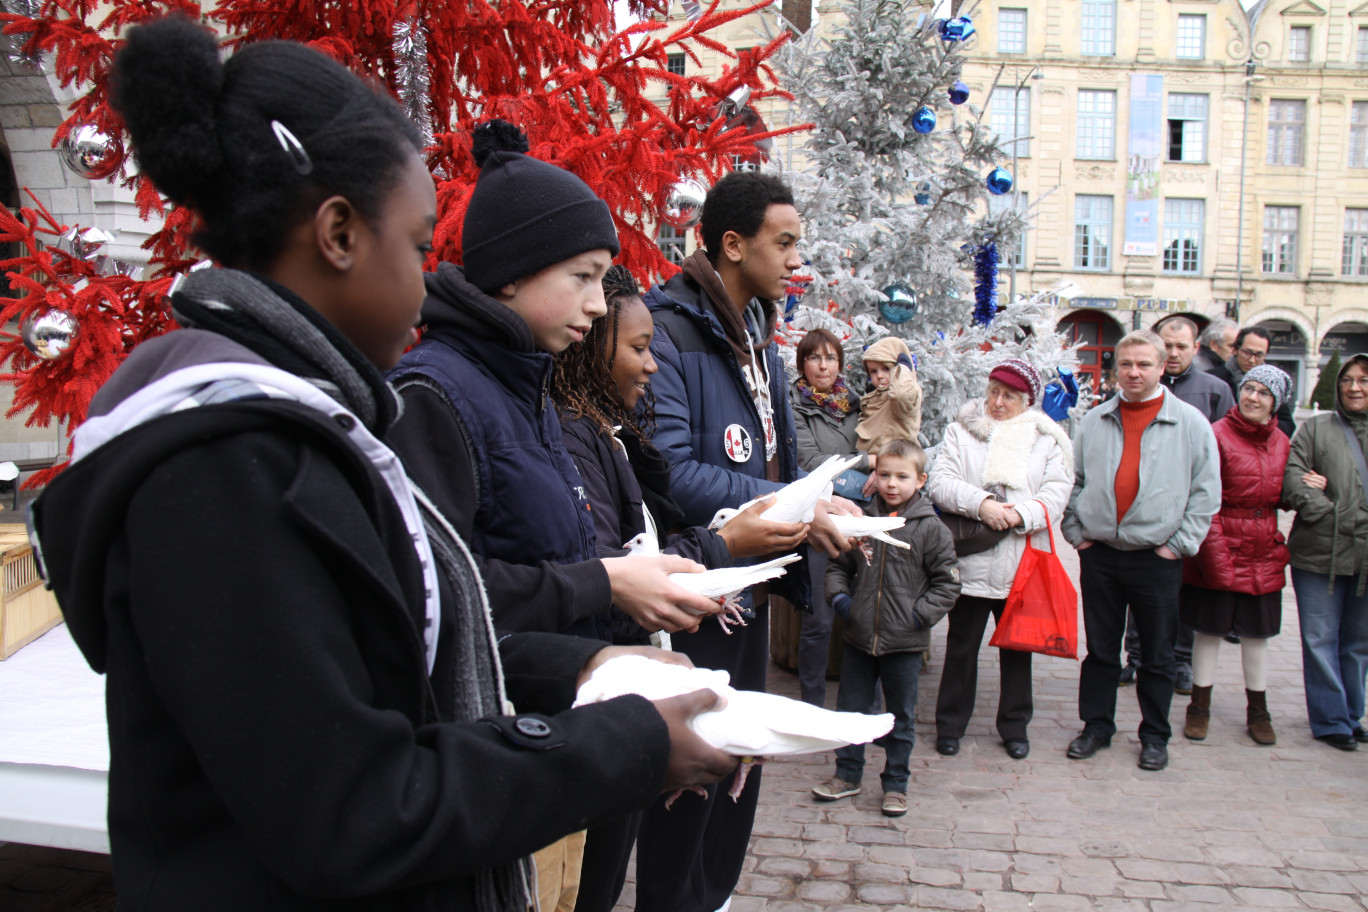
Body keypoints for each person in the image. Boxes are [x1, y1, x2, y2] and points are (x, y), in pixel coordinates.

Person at [28, 19, 736, 912]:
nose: (430, 280)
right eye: (415, 244)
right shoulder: (227, 465)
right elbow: (353, 808)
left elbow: (399, 657)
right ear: (337, 234)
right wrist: (625, 747)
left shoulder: (308, 431)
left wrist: (591, 679)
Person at [386, 121, 726, 910]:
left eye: (604, 278)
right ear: (509, 276)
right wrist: (603, 588)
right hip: (509, 749)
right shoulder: (437, 395)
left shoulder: (525, 383)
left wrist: (618, 670)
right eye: (582, 276)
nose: (598, 303)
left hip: (574, 723)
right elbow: (446, 601)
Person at [553, 266, 803, 912]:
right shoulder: (577, 442)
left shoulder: (610, 437)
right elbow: (606, 584)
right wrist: (725, 546)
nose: (652, 366)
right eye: (637, 349)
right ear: (590, 345)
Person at [639, 169, 855, 912]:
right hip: (700, 590)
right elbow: (668, 470)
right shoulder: (667, 332)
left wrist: (815, 503)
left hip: (755, 581)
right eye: (784, 242)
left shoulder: (758, 335)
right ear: (733, 245)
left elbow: (773, 455)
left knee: (741, 764)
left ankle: (715, 895)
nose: (798, 260)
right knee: (693, 770)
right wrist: (785, 501)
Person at [1061, 329, 1220, 772]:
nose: (1134, 372)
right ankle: (1096, 726)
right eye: (1126, 364)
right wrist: (1079, 534)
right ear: (1117, 368)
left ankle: (1155, 734)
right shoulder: (1095, 421)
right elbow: (1073, 482)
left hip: (1157, 557)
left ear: (1161, 367)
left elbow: (1206, 492)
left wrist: (1179, 546)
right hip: (1102, 555)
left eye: (1144, 364)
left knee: (1157, 653)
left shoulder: (1189, 422)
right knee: (1101, 649)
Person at [927, 359, 1074, 761]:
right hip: (972, 562)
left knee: (1018, 650)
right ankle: (950, 726)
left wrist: (1019, 514)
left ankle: (1014, 727)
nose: (998, 401)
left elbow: (1057, 491)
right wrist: (984, 504)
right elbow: (940, 481)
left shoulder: (1048, 440)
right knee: (961, 648)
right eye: (993, 391)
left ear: (1027, 401)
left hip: (1021, 563)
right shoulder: (962, 432)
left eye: (1009, 395)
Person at [812, 439, 959, 816]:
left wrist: (916, 616)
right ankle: (846, 774)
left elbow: (948, 583)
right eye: (885, 475)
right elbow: (838, 567)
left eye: (902, 476)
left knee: (901, 716)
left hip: (904, 644)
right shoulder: (860, 522)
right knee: (852, 711)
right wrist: (843, 603)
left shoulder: (930, 530)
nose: (892, 484)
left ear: (920, 480)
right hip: (860, 640)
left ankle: (896, 784)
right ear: (874, 477)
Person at [1118, 318, 1234, 694]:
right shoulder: (1132, 387)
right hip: (1140, 519)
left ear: (1196, 348)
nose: (1173, 352)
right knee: (1139, 593)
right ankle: (1134, 656)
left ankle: (1181, 660)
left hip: (1187, 518)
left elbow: (1221, 455)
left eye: (1181, 346)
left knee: (1185, 593)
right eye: (1166, 345)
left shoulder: (1214, 389)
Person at [1180, 365, 1293, 745]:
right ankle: (1199, 705)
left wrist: (1312, 483)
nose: (1253, 398)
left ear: (1275, 401)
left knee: (1257, 634)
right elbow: (1204, 500)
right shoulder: (1217, 436)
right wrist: (1214, 557)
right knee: (1209, 630)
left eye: (1263, 392)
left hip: (1262, 549)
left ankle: (1259, 710)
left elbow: (1286, 492)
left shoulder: (1282, 441)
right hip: (1221, 544)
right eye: (1249, 389)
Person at [1282, 352, 1368, 751]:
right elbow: (1294, 476)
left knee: (1357, 641)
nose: (1355, 387)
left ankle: (1352, 714)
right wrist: (1325, 509)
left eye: (1363, 380)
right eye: (1348, 379)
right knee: (1319, 637)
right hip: (1319, 550)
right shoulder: (1317, 429)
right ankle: (1331, 719)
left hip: (1364, 554)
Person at [791, 327, 870, 706]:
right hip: (821, 516)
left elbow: (886, 441)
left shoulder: (858, 403)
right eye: (814, 357)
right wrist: (869, 465)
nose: (823, 366)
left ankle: (867, 702)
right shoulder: (792, 404)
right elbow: (809, 462)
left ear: (841, 363)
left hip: (861, 518)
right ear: (802, 363)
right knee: (819, 618)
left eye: (831, 358)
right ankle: (812, 704)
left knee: (869, 607)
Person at [1208, 326, 1296, 440]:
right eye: (1247, 353)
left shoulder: (1272, 382)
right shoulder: (1213, 378)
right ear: (1235, 350)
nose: (1252, 360)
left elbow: (1288, 426)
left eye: (1259, 355)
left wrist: (1261, 426)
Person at [856, 335, 924, 457]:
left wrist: (902, 370)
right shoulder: (874, 396)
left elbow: (901, 395)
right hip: (873, 460)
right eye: (873, 371)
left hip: (898, 459)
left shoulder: (907, 393)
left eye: (886, 369)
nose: (880, 376)